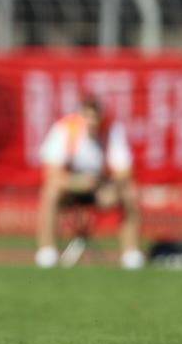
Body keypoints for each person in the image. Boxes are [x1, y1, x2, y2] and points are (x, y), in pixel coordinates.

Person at [35, 97, 145, 270]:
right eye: (88, 117)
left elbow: (124, 171)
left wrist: (111, 185)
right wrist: (76, 183)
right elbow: (52, 174)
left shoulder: (111, 131)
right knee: (50, 191)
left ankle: (130, 254)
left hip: (100, 189)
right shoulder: (65, 130)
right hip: (71, 189)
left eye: (95, 118)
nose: (92, 123)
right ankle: (47, 252)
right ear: (80, 117)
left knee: (130, 193)